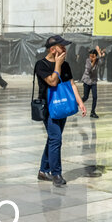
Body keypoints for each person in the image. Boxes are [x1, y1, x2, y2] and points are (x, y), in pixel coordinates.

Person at [34, 35, 86, 187]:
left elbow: (72, 84)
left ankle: (43, 171)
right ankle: (56, 173)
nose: (65, 49)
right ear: (52, 49)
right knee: (56, 139)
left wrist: (80, 102)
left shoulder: (66, 65)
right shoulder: (41, 64)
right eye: (61, 46)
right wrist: (57, 64)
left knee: (53, 138)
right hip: (48, 108)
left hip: (62, 106)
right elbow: (52, 81)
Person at [81, 47, 101, 118]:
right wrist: (92, 62)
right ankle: (75, 104)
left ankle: (93, 112)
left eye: (93, 56)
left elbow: (102, 62)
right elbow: (88, 71)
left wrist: (99, 53)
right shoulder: (88, 60)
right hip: (87, 80)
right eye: (90, 56)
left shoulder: (98, 60)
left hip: (93, 81)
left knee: (95, 97)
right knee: (85, 97)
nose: (91, 57)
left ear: (95, 56)